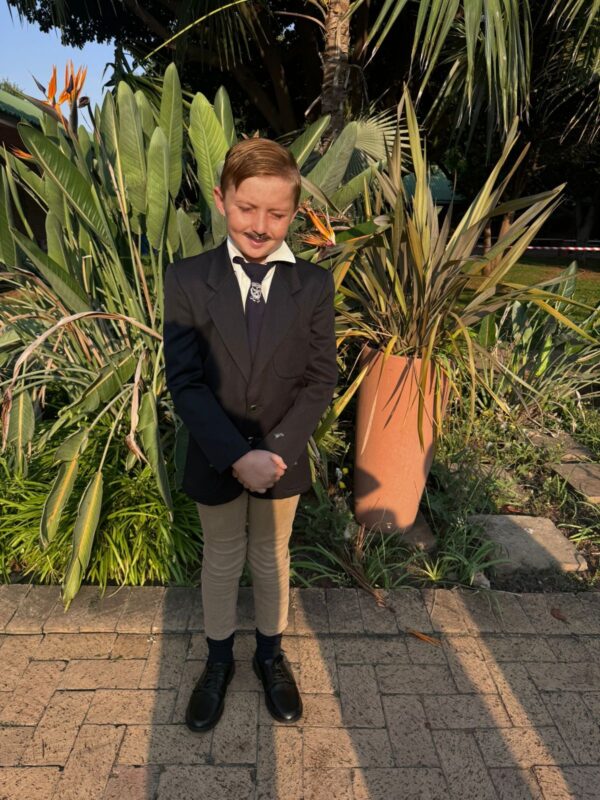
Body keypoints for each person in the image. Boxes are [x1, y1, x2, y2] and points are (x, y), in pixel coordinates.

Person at [162, 137, 338, 732]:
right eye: (247, 208)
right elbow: (185, 382)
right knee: (221, 558)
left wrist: (277, 452)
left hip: (282, 459)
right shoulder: (187, 280)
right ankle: (218, 661)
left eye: (277, 213)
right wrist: (238, 456)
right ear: (221, 200)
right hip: (217, 456)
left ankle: (269, 655)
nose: (260, 226)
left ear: (295, 214)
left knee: (271, 556)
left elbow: (319, 379)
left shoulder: (312, 286)